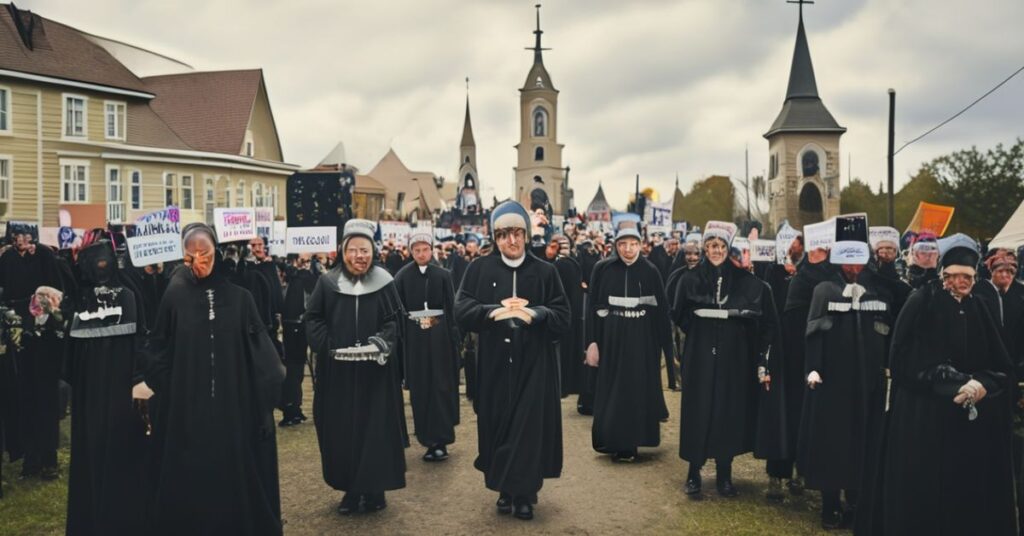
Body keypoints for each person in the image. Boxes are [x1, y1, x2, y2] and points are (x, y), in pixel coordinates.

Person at [859, 234, 1016, 535]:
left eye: (967, 277)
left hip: (969, 424)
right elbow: (903, 359)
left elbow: (1000, 364)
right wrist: (950, 382)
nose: (960, 282)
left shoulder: (980, 306)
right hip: (925, 417)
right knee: (927, 490)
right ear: (944, 275)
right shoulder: (922, 300)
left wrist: (982, 384)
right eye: (954, 276)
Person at [146, 223, 285, 534]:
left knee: (233, 483)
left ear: (216, 252)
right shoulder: (174, 298)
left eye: (205, 254)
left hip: (233, 413)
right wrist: (173, 391)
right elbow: (157, 351)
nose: (199, 262)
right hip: (187, 417)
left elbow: (263, 357)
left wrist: (263, 405)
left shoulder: (240, 299)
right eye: (190, 257)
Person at [455, 201, 569, 521]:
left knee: (528, 428)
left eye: (517, 233)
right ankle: (504, 488)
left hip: (535, 364)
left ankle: (525, 494)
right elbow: (461, 309)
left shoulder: (545, 271)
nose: (511, 240)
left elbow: (563, 315)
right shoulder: (479, 269)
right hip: (494, 362)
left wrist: (536, 313)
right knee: (498, 423)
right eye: (503, 234)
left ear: (527, 235)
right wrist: (494, 311)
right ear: (495, 238)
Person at [304, 219, 407, 515]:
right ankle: (350, 490)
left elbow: (394, 321)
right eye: (353, 250)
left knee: (375, 432)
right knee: (343, 432)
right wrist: (329, 345)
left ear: (373, 252)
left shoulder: (385, 282)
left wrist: (381, 342)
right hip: (339, 375)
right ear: (343, 251)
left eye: (364, 250)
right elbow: (313, 318)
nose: (359, 256)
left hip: (376, 374)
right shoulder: (327, 283)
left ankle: (375, 489)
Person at [797, 215, 891, 529]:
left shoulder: (877, 289)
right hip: (832, 380)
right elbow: (813, 333)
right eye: (848, 260)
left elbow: (885, 331)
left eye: (858, 260)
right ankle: (829, 503)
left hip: (867, 380)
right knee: (832, 441)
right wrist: (813, 368)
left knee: (862, 441)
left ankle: (855, 501)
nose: (854, 267)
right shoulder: (824, 289)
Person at [673, 221, 773, 498]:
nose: (716, 251)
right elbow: (679, 312)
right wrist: (700, 332)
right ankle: (693, 472)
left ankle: (724, 474)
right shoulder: (690, 279)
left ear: (728, 249)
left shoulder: (743, 280)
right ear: (704, 249)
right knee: (698, 410)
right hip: (700, 353)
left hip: (732, 356)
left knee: (727, 411)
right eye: (711, 246)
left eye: (720, 246)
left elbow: (759, 313)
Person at [63, 241, 151, 534]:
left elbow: (138, 341)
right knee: (106, 454)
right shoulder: (96, 299)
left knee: (105, 453)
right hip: (105, 392)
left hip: (103, 392)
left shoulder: (105, 299)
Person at [586, 227, 672, 462]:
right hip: (611, 336)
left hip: (641, 338)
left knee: (635, 387)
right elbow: (592, 307)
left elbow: (661, 310)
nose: (628, 249)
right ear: (616, 245)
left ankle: (631, 442)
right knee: (612, 387)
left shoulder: (651, 271)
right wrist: (592, 341)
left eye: (633, 244)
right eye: (623, 244)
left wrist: (664, 345)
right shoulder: (602, 269)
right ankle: (611, 438)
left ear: (641, 245)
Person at [0, 224, 64, 480]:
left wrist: (44, 309)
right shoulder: (7, 259)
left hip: (45, 341)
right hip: (19, 342)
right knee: (23, 400)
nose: (23, 241)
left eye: (26, 236)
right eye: (18, 236)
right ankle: (30, 459)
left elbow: (59, 293)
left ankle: (48, 459)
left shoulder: (45, 256)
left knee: (46, 399)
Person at [394, 231, 461, 461]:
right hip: (415, 341)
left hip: (440, 339)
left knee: (441, 386)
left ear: (431, 250)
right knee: (421, 387)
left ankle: (441, 439)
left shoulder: (443, 275)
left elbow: (451, 308)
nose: (421, 254)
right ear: (411, 252)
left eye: (425, 249)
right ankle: (427, 439)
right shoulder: (402, 277)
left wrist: (454, 339)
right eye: (417, 250)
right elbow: (398, 310)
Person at [279, 253, 317, 426]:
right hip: (296, 326)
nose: (306, 264)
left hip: (297, 326)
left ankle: (294, 407)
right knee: (295, 370)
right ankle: (292, 408)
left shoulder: (299, 277)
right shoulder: (298, 277)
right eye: (304, 261)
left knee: (296, 369)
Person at [545, 235, 585, 398]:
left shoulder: (555, 266)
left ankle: (562, 385)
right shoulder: (574, 264)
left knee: (561, 352)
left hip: (560, 313)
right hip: (575, 313)